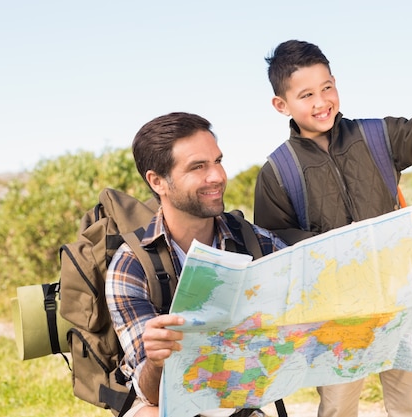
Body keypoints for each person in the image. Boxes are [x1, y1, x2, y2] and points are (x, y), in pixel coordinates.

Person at [254, 40, 412, 417]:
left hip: (400, 299)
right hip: (336, 314)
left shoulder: (376, 136)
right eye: (306, 95)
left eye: (327, 88)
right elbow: (272, 244)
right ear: (281, 105)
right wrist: (330, 248)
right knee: (338, 405)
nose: (322, 102)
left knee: (409, 404)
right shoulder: (277, 171)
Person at [105, 112, 287, 417]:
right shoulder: (131, 266)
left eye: (217, 161)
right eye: (198, 167)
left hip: (234, 399)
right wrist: (157, 359)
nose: (217, 176)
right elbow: (151, 394)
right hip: (164, 402)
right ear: (157, 181)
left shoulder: (255, 243)